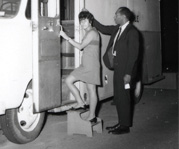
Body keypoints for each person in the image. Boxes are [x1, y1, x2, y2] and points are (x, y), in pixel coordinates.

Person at [92, 7, 140, 135]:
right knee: (119, 97)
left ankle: (125, 126)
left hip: (125, 71)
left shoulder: (132, 32)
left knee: (124, 97)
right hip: (118, 69)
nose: (114, 17)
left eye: (116, 15)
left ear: (123, 17)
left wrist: (128, 74)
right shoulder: (117, 30)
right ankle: (121, 122)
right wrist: (91, 17)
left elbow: (133, 56)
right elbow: (102, 28)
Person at [59, 11, 101, 124]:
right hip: (85, 65)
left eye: (85, 21)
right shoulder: (88, 32)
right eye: (81, 21)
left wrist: (66, 37)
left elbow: (80, 46)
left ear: (90, 21)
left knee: (91, 90)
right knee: (68, 81)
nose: (82, 23)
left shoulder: (92, 32)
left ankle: (92, 116)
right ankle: (80, 102)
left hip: (91, 65)